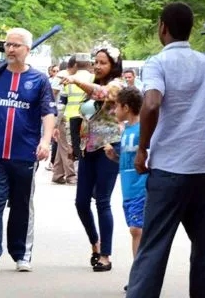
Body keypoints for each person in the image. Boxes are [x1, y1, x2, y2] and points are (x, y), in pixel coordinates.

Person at [126, 3, 205, 297]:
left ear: (162, 28)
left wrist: (142, 149)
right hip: (204, 172)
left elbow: (152, 103)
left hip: (167, 173)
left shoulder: (157, 63)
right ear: (190, 30)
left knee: (153, 251)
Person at [0, 27, 56, 273]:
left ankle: (21, 254)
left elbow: (49, 112)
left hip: (24, 154)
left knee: (21, 205)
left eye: (16, 45)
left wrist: (45, 141)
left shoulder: (39, 80)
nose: (10, 49)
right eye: (8, 44)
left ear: (27, 50)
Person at [63, 46, 124, 272]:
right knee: (81, 202)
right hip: (88, 149)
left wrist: (74, 80)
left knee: (102, 201)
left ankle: (106, 255)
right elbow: (85, 114)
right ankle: (95, 245)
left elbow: (102, 94)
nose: (97, 66)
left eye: (102, 62)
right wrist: (75, 144)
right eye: (95, 62)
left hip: (109, 148)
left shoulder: (118, 85)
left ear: (114, 65)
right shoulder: (92, 86)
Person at [104, 86, 144, 291]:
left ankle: (140, 278)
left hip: (142, 188)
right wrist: (114, 158)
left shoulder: (144, 129)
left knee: (137, 230)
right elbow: (128, 162)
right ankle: (141, 276)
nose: (113, 111)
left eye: (116, 107)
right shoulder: (127, 130)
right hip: (128, 190)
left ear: (126, 107)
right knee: (136, 231)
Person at [53, 53, 92, 185]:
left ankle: (58, 174)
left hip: (68, 117)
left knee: (64, 146)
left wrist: (55, 123)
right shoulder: (93, 78)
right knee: (70, 148)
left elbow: (62, 103)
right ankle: (71, 176)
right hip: (86, 119)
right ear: (88, 64)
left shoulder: (69, 79)